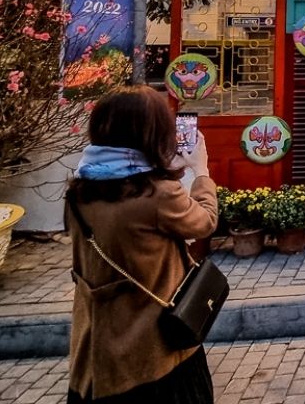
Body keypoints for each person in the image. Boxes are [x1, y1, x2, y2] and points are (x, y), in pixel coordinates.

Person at [66, 86, 218, 404]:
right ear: (150, 133)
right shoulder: (156, 194)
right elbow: (203, 223)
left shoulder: (80, 189)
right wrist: (200, 170)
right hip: (155, 349)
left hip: (95, 352)